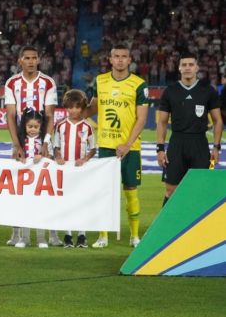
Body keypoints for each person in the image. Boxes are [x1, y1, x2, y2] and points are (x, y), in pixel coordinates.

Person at [85, 44, 149, 248]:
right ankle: (102, 236)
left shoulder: (139, 85)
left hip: (130, 148)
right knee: (104, 191)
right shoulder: (100, 81)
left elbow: (141, 119)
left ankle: (134, 235)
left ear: (130, 60)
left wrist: (127, 144)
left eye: (124, 56)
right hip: (106, 145)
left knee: (130, 189)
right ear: (110, 60)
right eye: (116, 56)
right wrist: (74, 115)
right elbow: (93, 107)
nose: (120, 60)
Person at [4, 45, 62, 247]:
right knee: (18, 190)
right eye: (26, 57)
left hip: (42, 142)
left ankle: (52, 234)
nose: (30, 61)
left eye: (34, 57)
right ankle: (17, 233)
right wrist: (16, 144)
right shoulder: (12, 83)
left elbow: (49, 115)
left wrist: (46, 142)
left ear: (38, 60)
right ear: (20, 60)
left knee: (47, 188)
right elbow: (10, 115)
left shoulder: (47, 82)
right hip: (21, 143)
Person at [156, 53, 222, 207]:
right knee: (171, 189)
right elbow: (162, 122)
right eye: (184, 65)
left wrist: (216, 147)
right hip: (177, 143)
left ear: (197, 67)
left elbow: (218, 121)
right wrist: (160, 149)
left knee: (200, 189)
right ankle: (168, 228)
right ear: (179, 68)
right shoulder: (170, 91)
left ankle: (198, 229)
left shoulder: (208, 90)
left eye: (191, 65)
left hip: (199, 143)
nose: (187, 68)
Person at [53, 90, 96, 248]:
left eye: (78, 107)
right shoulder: (61, 126)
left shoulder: (87, 127)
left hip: (81, 171)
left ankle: (82, 235)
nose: (74, 111)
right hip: (66, 171)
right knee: (67, 201)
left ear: (82, 108)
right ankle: (68, 235)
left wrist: (84, 159)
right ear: (66, 108)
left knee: (82, 201)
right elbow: (56, 146)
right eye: (71, 107)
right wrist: (58, 156)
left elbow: (93, 149)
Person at [11, 109, 49, 249]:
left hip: (41, 181)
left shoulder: (44, 141)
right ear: (24, 126)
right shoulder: (20, 141)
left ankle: (41, 238)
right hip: (24, 182)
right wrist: (18, 157)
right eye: (30, 127)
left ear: (41, 127)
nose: (32, 130)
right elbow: (13, 158)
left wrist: (42, 157)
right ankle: (24, 238)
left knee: (39, 208)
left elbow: (50, 158)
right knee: (25, 208)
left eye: (36, 127)